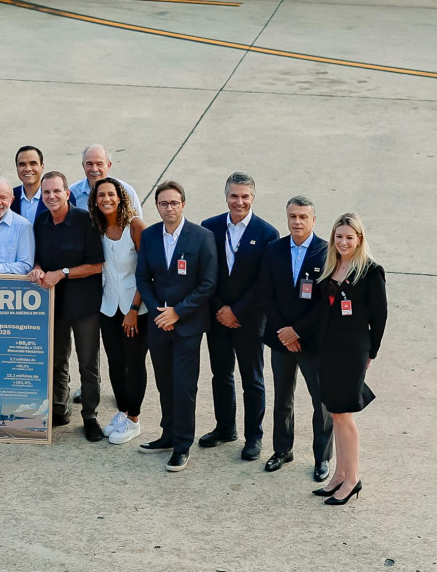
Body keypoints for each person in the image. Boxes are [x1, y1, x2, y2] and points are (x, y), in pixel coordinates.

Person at [298, 213, 386, 506]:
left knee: (344, 414)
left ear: (359, 239)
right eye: (339, 236)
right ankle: (339, 475)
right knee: (335, 412)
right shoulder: (331, 266)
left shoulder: (371, 271)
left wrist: (371, 353)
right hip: (329, 349)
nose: (343, 242)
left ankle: (353, 479)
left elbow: (380, 317)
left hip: (353, 350)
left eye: (349, 237)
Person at [134, 180, 217, 470]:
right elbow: (143, 277)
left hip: (187, 326)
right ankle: (167, 435)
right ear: (156, 207)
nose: (169, 208)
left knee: (184, 386)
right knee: (164, 383)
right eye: (163, 203)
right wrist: (160, 312)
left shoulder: (202, 237)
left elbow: (207, 284)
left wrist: (177, 313)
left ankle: (182, 445)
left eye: (174, 203)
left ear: (183, 204)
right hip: (159, 324)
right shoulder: (151, 236)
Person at [199, 172, 280, 461]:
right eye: (234, 196)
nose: (239, 201)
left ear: (253, 198)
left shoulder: (267, 233)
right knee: (221, 374)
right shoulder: (209, 228)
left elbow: (264, 283)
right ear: (226, 196)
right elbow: (207, 273)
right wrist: (221, 308)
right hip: (217, 317)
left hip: (250, 319)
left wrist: (237, 311)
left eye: (245, 196)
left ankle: (253, 437)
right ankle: (224, 428)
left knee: (252, 380)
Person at [31, 171, 108, 441]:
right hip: (54, 304)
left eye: (56, 191)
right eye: (46, 192)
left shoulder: (86, 221)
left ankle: (90, 416)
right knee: (57, 360)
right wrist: (38, 269)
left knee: (88, 363)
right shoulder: (40, 222)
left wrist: (62, 272)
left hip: (85, 305)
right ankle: (59, 408)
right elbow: (37, 258)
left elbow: (97, 264)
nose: (51, 196)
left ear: (67, 193)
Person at [263, 195, 332, 480]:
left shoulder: (326, 252)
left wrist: (298, 331)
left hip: (313, 341)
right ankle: (282, 450)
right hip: (281, 338)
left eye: (303, 217)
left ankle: (322, 458)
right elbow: (266, 294)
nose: (297, 221)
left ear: (313, 220)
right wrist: (284, 332)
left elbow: (325, 302)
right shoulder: (274, 249)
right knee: (283, 397)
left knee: (321, 400)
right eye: (292, 216)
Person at [90, 176, 147, 445]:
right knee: (114, 362)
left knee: (134, 364)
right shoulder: (97, 227)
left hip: (135, 308)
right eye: (101, 195)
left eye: (111, 194)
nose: (106, 199)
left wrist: (134, 309)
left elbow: (147, 272)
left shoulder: (135, 226)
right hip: (108, 307)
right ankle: (123, 412)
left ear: (121, 197)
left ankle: (134, 419)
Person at [69, 144, 140, 216]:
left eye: (99, 164)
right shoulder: (72, 193)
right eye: (89, 164)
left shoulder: (127, 191)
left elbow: (138, 222)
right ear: (83, 166)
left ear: (109, 165)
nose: (94, 169)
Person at [12, 146, 47, 223]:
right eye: (22, 164)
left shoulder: (58, 196)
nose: (28, 168)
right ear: (17, 168)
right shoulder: (9, 197)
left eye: (33, 163)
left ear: (42, 166)